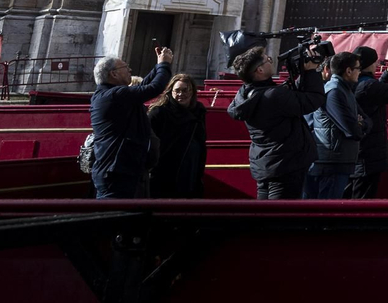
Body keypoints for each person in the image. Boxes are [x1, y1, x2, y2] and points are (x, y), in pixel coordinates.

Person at [227, 45, 326, 200]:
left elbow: (285, 97)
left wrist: (300, 74)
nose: (271, 61)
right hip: (285, 163)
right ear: (259, 70)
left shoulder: (246, 94)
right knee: (281, 216)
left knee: (265, 214)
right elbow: (313, 100)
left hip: (266, 162)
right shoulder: (273, 96)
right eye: (268, 60)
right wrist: (312, 71)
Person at [89, 49, 173, 198]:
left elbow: (142, 88)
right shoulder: (114, 95)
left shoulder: (113, 94)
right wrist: (164, 64)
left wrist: (157, 66)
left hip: (124, 170)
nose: (130, 70)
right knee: (115, 217)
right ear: (113, 74)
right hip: (116, 172)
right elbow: (154, 88)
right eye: (125, 68)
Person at [346, 46, 388, 199]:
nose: (377, 65)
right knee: (361, 197)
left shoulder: (353, 81)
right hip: (368, 152)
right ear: (370, 64)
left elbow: (373, 94)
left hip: (355, 151)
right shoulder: (368, 86)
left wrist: (387, 75)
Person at [305, 51, 366, 199]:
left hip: (337, 160)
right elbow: (352, 130)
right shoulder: (334, 91)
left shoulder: (344, 89)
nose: (360, 72)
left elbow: (366, 121)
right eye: (358, 68)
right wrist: (358, 124)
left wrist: (359, 123)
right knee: (325, 211)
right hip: (330, 162)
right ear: (348, 71)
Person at [148, 73, 207, 197]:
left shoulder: (198, 111)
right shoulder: (159, 112)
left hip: (190, 167)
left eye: (185, 90)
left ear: (192, 91)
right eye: (177, 91)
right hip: (164, 170)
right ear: (170, 91)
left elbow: (201, 141)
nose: (181, 94)